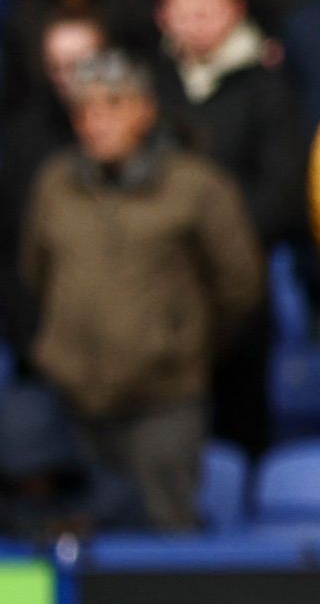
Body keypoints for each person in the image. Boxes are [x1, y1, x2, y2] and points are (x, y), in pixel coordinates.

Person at [17, 49, 259, 531]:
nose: (96, 121)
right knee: (67, 540)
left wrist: (181, 346)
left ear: (145, 111)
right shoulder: (54, 184)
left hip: (163, 402)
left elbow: (240, 286)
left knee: (163, 537)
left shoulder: (196, 186)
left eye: (112, 105)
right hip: (72, 403)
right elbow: (34, 275)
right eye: (84, 110)